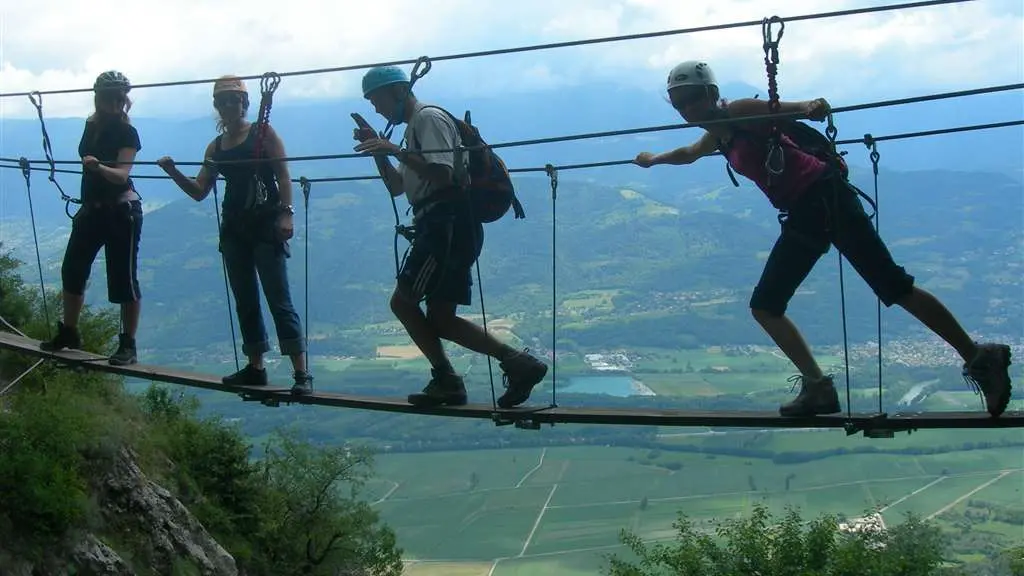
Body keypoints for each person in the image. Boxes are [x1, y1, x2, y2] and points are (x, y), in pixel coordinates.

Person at [633, 60, 1013, 418]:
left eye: (694, 97)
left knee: (894, 287)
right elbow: (687, 153)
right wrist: (653, 159)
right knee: (766, 305)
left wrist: (811, 105)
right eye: (680, 102)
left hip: (828, 199)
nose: (688, 107)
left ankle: (979, 357)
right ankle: (818, 388)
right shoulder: (718, 137)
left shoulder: (739, 112)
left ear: (712, 92)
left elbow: (782, 109)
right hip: (804, 216)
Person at [351, 65, 548, 408]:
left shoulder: (428, 120)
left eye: (377, 100)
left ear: (398, 92)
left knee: (403, 302)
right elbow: (398, 187)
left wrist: (394, 151)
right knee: (441, 318)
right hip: (450, 227)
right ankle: (518, 363)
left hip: (445, 226)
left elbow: (442, 175)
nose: (377, 109)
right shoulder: (414, 129)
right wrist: (381, 153)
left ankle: (447, 379)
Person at [157, 75, 313, 396]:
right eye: (224, 101)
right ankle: (256, 367)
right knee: (245, 300)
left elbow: (283, 175)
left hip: (265, 226)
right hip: (235, 230)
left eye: (234, 100)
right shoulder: (215, 147)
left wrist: (286, 213)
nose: (230, 105)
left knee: (278, 299)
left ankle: (301, 374)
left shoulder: (263, 134)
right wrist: (172, 172)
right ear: (217, 106)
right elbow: (200, 190)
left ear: (244, 104)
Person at [40, 70, 144, 366]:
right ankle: (69, 332)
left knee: (123, 278)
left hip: (122, 211)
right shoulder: (91, 125)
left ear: (123, 99)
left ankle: (128, 345)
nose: (112, 102)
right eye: (106, 96)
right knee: (72, 269)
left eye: (116, 96)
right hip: (93, 209)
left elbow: (122, 174)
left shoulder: (128, 133)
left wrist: (98, 168)